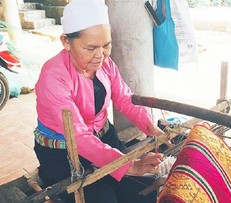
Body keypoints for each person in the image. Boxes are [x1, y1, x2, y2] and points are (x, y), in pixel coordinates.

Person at [33, 0, 165, 202]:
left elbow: (125, 98)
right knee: (104, 198)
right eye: (91, 48)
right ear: (66, 42)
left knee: (140, 192)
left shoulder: (106, 64)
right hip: (62, 154)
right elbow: (78, 136)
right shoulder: (53, 76)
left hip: (104, 137)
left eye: (106, 45)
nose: (100, 56)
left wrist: (151, 129)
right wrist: (128, 165)